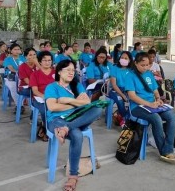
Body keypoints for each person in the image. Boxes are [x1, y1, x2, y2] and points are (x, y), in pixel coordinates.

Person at [45, 59, 102, 191]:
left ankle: (66, 128)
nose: (71, 73)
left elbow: (87, 103)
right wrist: (76, 102)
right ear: (59, 72)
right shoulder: (52, 87)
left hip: (76, 118)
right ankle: (73, 175)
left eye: (73, 70)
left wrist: (67, 100)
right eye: (68, 70)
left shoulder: (77, 85)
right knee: (77, 134)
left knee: (98, 109)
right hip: (57, 120)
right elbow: (52, 107)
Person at [125, 52, 175, 164]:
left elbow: (155, 90)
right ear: (136, 63)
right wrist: (149, 104)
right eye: (142, 65)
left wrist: (158, 99)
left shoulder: (149, 74)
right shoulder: (130, 76)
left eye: (147, 65)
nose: (145, 67)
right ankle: (165, 152)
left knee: (172, 116)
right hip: (138, 107)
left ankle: (168, 148)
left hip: (153, 105)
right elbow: (132, 96)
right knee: (156, 119)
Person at [29, 51, 55, 142]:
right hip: (39, 98)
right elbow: (35, 91)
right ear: (40, 62)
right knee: (45, 110)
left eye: (49, 60)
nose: (47, 62)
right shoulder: (35, 74)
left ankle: (52, 128)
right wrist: (45, 96)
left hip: (54, 97)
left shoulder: (56, 73)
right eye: (44, 60)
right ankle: (46, 129)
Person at [109, 51, 133, 124]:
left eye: (126, 58)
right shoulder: (114, 68)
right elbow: (114, 85)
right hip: (115, 90)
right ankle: (125, 120)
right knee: (120, 101)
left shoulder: (131, 70)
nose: (123, 59)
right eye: (122, 57)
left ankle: (123, 117)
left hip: (127, 90)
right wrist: (122, 95)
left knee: (133, 101)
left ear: (129, 60)